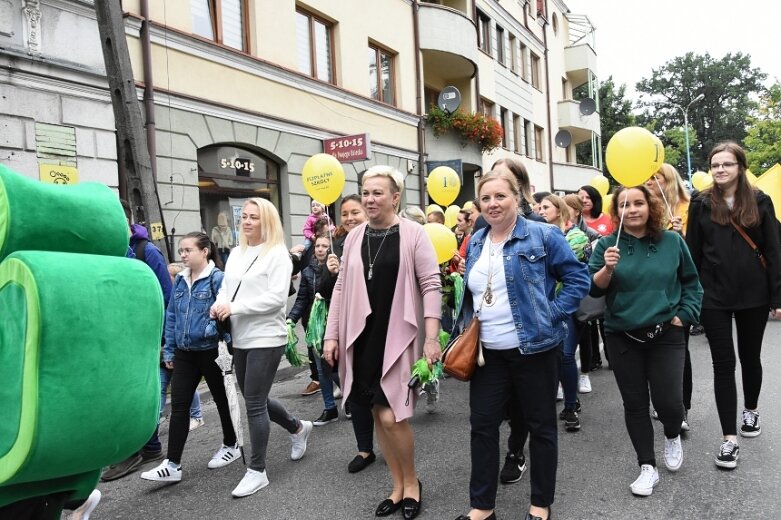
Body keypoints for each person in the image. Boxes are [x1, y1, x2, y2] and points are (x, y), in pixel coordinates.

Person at [455, 170, 590, 520]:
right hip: (488, 355)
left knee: (542, 426)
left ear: (517, 198)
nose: (493, 204)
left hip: (534, 350)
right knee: (482, 427)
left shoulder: (542, 235)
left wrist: (553, 313)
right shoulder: (478, 239)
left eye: (501, 196)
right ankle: (482, 507)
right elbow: (473, 295)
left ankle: (540, 505)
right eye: (486, 198)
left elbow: (577, 279)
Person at [323, 165, 441, 520]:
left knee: (393, 415)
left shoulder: (413, 234)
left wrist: (432, 338)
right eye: (365, 191)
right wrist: (331, 334)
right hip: (362, 337)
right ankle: (396, 485)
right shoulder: (354, 236)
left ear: (395, 196)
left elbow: (431, 285)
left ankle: (413, 482)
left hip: (399, 336)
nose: (370, 198)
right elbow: (342, 288)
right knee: (376, 412)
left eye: (377, 192)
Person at [590, 185, 702, 497]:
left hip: (667, 333)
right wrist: (607, 269)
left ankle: (671, 433)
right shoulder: (607, 245)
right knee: (635, 402)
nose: (633, 209)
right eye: (624, 205)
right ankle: (647, 467)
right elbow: (595, 289)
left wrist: (685, 315)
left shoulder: (672, 241)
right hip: (621, 335)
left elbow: (691, 282)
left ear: (650, 207)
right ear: (617, 212)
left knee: (668, 401)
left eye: (639, 203)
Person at [686, 142, 781, 469]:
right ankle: (729, 439)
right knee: (723, 364)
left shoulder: (760, 201)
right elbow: (692, 253)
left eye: (727, 164)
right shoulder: (700, 203)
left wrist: (777, 297)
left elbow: (774, 250)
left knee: (750, 356)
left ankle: (751, 411)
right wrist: (692, 296)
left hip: (754, 294)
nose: (720, 170)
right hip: (713, 296)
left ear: (740, 167)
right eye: (715, 165)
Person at [210, 197, 313, 498]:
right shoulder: (237, 253)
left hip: (267, 338)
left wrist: (234, 307)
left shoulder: (277, 255)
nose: (247, 221)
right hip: (240, 338)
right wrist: (219, 305)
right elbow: (226, 288)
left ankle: (257, 471)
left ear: (267, 221)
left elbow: (276, 299)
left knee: (253, 403)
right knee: (256, 398)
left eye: (254, 217)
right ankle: (297, 428)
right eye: (244, 216)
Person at [141, 232, 241, 484]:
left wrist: (228, 345)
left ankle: (232, 444)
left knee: (221, 400)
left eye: (188, 250)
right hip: (185, 353)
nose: (183, 255)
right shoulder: (180, 280)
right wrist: (170, 349)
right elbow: (172, 315)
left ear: (204, 251)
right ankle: (172, 464)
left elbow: (229, 312)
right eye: (182, 250)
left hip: (211, 351)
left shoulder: (217, 278)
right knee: (180, 406)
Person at [100, 201, 172, 482]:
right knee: (127, 393)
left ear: (126, 220)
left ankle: (134, 451)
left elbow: (167, 298)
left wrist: (166, 342)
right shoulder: (105, 250)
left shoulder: (146, 251)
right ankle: (150, 447)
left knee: (141, 394)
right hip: (118, 335)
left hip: (147, 337)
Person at [489, 158, 545, 487]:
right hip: (492, 337)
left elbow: (568, 279)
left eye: (505, 181)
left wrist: (550, 313)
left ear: (519, 188)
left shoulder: (539, 226)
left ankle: (515, 451)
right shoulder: (484, 227)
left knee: (522, 403)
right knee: (496, 407)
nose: (497, 189)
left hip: (529, 335)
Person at [319, 193, 378, 473]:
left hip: (377, 324)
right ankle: (364, 449)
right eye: (345, 214)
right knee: (354, 390)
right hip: (346, 324)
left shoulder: (380, 239)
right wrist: (331, 274)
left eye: (356, 212)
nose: (351, 218)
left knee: (380, 390)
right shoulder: (340, 244)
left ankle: (391, 438)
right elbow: (327, 292)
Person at [645, 164, 694, 430]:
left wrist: (682, 235)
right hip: (652, 294)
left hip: (679, 294)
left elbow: (697, 254)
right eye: (647, 178)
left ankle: (681, 408)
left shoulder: (690, 208)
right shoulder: (647, 209)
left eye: (656, 177)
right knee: (652, 350)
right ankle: (661, 401)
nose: (650, 182)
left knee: (679, 353)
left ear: (670, 180)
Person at [538, 194, 591, 432]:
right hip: (541, 307)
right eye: (539, 207)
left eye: (546, 207)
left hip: (566, 307)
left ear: (559, 211)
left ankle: (571, 406)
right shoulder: (535, 234)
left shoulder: (576, 236)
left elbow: (563, 270)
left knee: (567, 355)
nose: (540, 211)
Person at [288, 233, 341, 426]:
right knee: (322, 370)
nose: (320, 249)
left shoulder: (338, 268)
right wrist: (290, 320)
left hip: (335, 324)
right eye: (317, 245)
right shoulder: (308, 271)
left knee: (336, 368)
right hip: (315, 328)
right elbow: (302, 299)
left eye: (325, 246)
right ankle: (330, 408)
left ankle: (353, 399)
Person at [160, 262, 204, 431]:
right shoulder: (168, 300)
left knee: (186, 385)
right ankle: (156, 420)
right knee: (162, 386)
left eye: (169, 276)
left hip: (180, 350)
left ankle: (197, 415)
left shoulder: (182, 300)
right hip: (166, 350)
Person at [563, 194, 599, 393]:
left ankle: (584, 374)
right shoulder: (556, 230)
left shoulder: (590, 234)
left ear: (576, 210)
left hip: (582, 292)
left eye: (566, 207)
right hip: (563, 292)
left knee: (584, 333)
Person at [578, 185, 612, 371]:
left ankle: (611, 356)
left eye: (587, 197)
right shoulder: (577, 222)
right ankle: (593, 359)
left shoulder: (606, 219)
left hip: (607, 270)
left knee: (605, 317)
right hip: (587, 273)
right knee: (589, 318)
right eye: (580, 197)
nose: (584, 200)